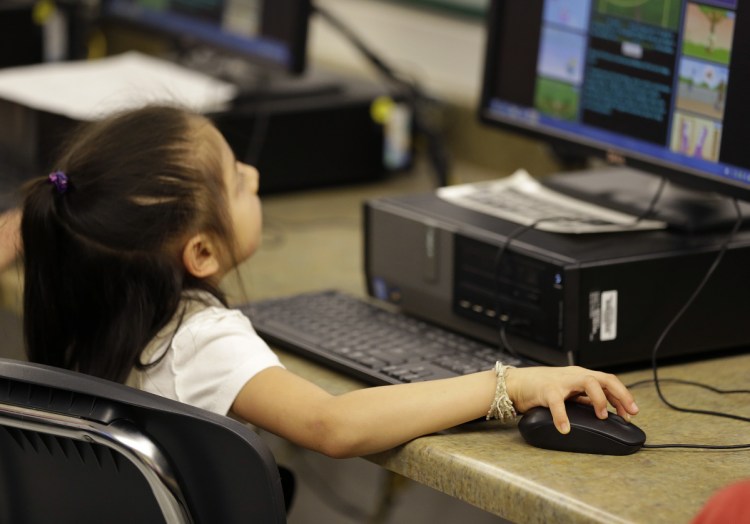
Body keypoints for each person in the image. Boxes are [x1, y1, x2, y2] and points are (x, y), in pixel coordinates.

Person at [20, 104, 639, 459]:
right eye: (236, 179)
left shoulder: (92, 295)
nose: (255, 175)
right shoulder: (194, 341)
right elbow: (331, 426)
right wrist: (510, 383)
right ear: (202, 251)